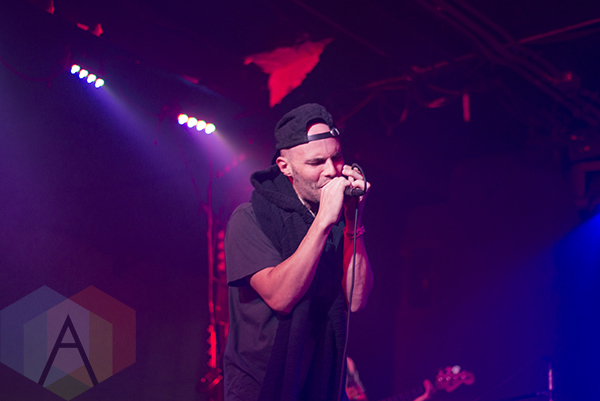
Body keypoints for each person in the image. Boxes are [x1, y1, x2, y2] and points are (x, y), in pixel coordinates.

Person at [223, 103, 374, 401]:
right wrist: (323, 221)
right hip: (261, 385)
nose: (331, 171)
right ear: (285, 166)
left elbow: (355, 300)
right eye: (316, 162)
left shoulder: (339, 218)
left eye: (337, 157)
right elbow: (281, 297)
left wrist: (353, 221)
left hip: (321, 383)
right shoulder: (249, 218)